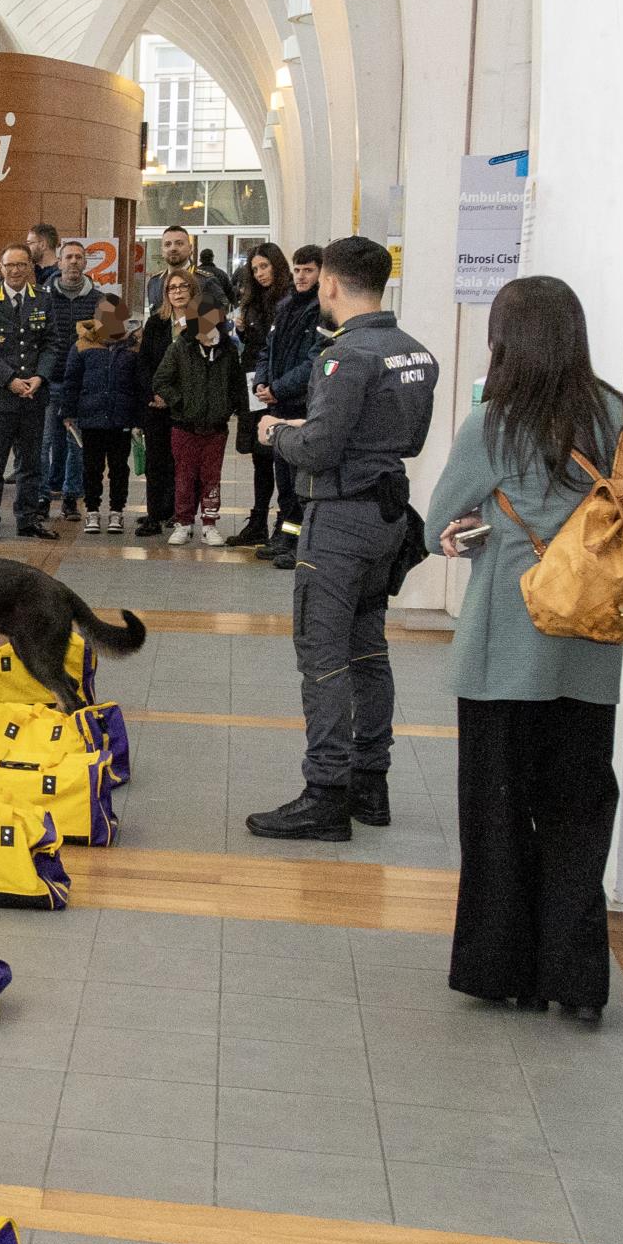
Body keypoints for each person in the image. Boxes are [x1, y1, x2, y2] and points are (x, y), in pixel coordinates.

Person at [425, 277, 623, 1019]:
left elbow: (438, 522)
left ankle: (500, 969)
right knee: (579, 817)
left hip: (503, 651)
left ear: (506, 341)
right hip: (589, 650)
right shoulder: (616, 414)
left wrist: (470, 533)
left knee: (498, 816)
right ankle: (576, 981)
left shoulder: (492, 422)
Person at [248, 236, 438, 841]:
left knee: (323, 656)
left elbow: (321, 447)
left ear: (330, 283)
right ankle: (369, 783)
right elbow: (404, 439)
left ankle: (325, 793)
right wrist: (313, 427)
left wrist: (276, 432)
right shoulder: (414, 353)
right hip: (386, 517)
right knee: (367, 649)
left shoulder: (343, 356)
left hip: (339, 522)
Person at [0, 243, 56, 543]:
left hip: (33, 395)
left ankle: (28, 519)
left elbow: (51, 344)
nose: (15, 270)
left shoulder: (43, 298)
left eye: (21, 264)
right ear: (1, 268)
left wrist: (40, 377)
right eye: (10, 265)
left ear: (30, 266)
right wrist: (10, 380)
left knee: (30, 464)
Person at [252, 245, 326, 569]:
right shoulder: (285, 307)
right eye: (297, 270)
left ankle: (300, 544)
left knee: (300, 481)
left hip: (300, 407)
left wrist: (277, 389)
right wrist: (262, 383)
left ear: (321, 273)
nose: (301, 276)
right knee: (283, 479)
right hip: (279, 405)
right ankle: (286, 535)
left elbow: (314, 361)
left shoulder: (322, 311)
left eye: (308, 270)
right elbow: (266, 350)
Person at [153, 295, 240, 547]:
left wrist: (227, 408)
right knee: (184, 476)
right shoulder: (180, 347)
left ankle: (210, 524)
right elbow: (160, 380)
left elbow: (236, 385)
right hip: (184, 426)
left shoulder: (228, 350)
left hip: (216, 428)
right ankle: (183, 523)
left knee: (211, 477)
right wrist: (179, 402)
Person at [226, 242, 292, 551]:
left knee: (281, 456)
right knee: (259, 454)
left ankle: (284, 524)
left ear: (277, 265)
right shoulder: (252, 301)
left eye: (264, 266)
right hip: (254, 383)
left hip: (278, 387)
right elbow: (255, 344)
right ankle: (258, 521)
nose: (260, 273)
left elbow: (278, 346)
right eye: (255, 269)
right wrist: (241, 330)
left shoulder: (289, 301)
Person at [63, 294, 143, 534]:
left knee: (119, 467)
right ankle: (92, 511)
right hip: (91, 417)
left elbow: (139, 384)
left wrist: (138, 419)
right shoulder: (82, 345)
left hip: (121, 418)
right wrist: (68, 412)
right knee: (91, 467)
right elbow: (71, 381)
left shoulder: (133, 346)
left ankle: (117, 511)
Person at [43, 241, 102, 523]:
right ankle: (42, 496)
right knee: (44, 442)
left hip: (81, 384)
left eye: (79, 257)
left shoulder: (100, 300)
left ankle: (70, 498)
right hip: (47, 380)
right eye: (68, 257)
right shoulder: (42, 297)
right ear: (59, 262)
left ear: (85, 263)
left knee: (76, 444)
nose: (74, 262)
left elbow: (105, 342)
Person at [133, 269, 194, 536]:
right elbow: (144, 362)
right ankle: (155, 513)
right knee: (156, 461)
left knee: (183, 463)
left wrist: (176, 397)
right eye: (172, 287)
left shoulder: (203, 321)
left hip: (187, 405)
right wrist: (155, 394)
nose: (177, 292)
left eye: (183, 286)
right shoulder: (156, 323)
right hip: (157, 404)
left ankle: (180, 513)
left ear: (192, 290)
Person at [145, 225, 194, 312]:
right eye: (167, 244)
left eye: (179, 243)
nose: (173, 248)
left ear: (190, 248)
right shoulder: (154, 283)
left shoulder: (205, 281)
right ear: (162, 251)